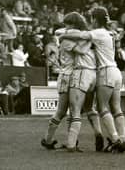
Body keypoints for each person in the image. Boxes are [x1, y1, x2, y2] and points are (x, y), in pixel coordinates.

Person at [60, 7, 125, 153]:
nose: (90, 21)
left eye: (92, 18)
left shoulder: (97, 33)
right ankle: (122, 138)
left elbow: (80, 35)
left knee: (102, 108)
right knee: (117, 109)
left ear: (95, 19)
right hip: (116, 71)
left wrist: (62, 34)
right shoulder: (110, 33)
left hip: (105, 71)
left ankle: (116, 139)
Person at [41, 12, 103, 152]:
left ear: (73, 24)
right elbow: (81, 50)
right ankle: (49, 140)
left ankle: (68, 141)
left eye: (68, 23)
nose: (66, 26)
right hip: (67, 75)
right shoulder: (67, 40)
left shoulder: (68, 36)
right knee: (63, 111)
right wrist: (90, 42)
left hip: (69, 75)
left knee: (68, 111)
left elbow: (61, 32)